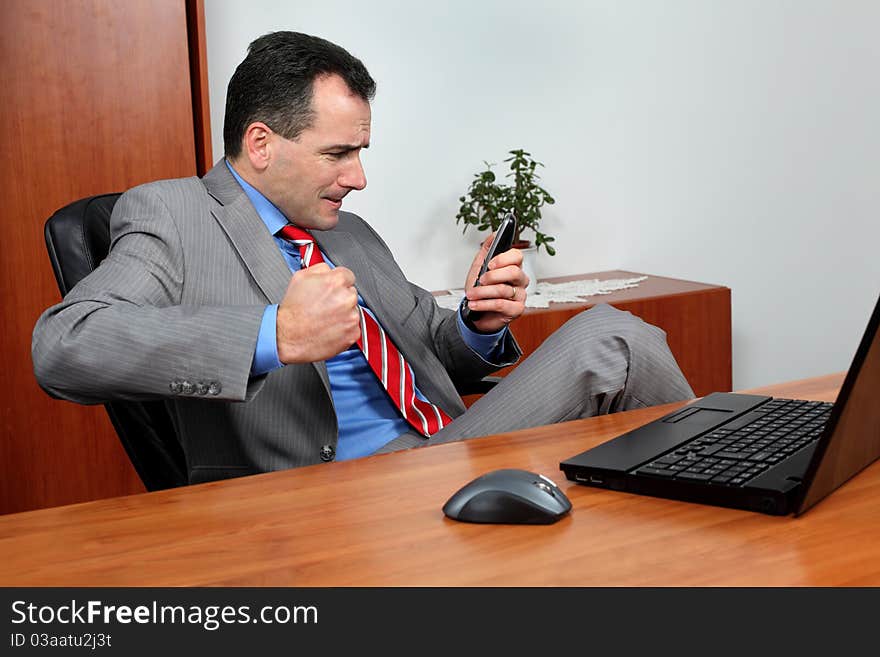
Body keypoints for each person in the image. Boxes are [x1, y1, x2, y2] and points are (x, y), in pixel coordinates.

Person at [32, 31, 693, 484]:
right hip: (324, 489)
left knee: (615, 339)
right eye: (338, 154)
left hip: (445, 450)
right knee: (613, 340)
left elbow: (432, 346)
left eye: (361, 153)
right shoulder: (172, 214)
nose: (358, 178)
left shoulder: (348, 233)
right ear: (261, 143)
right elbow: (63, 346)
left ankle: (727, 500)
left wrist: (474, 324)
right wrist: (271, 336)